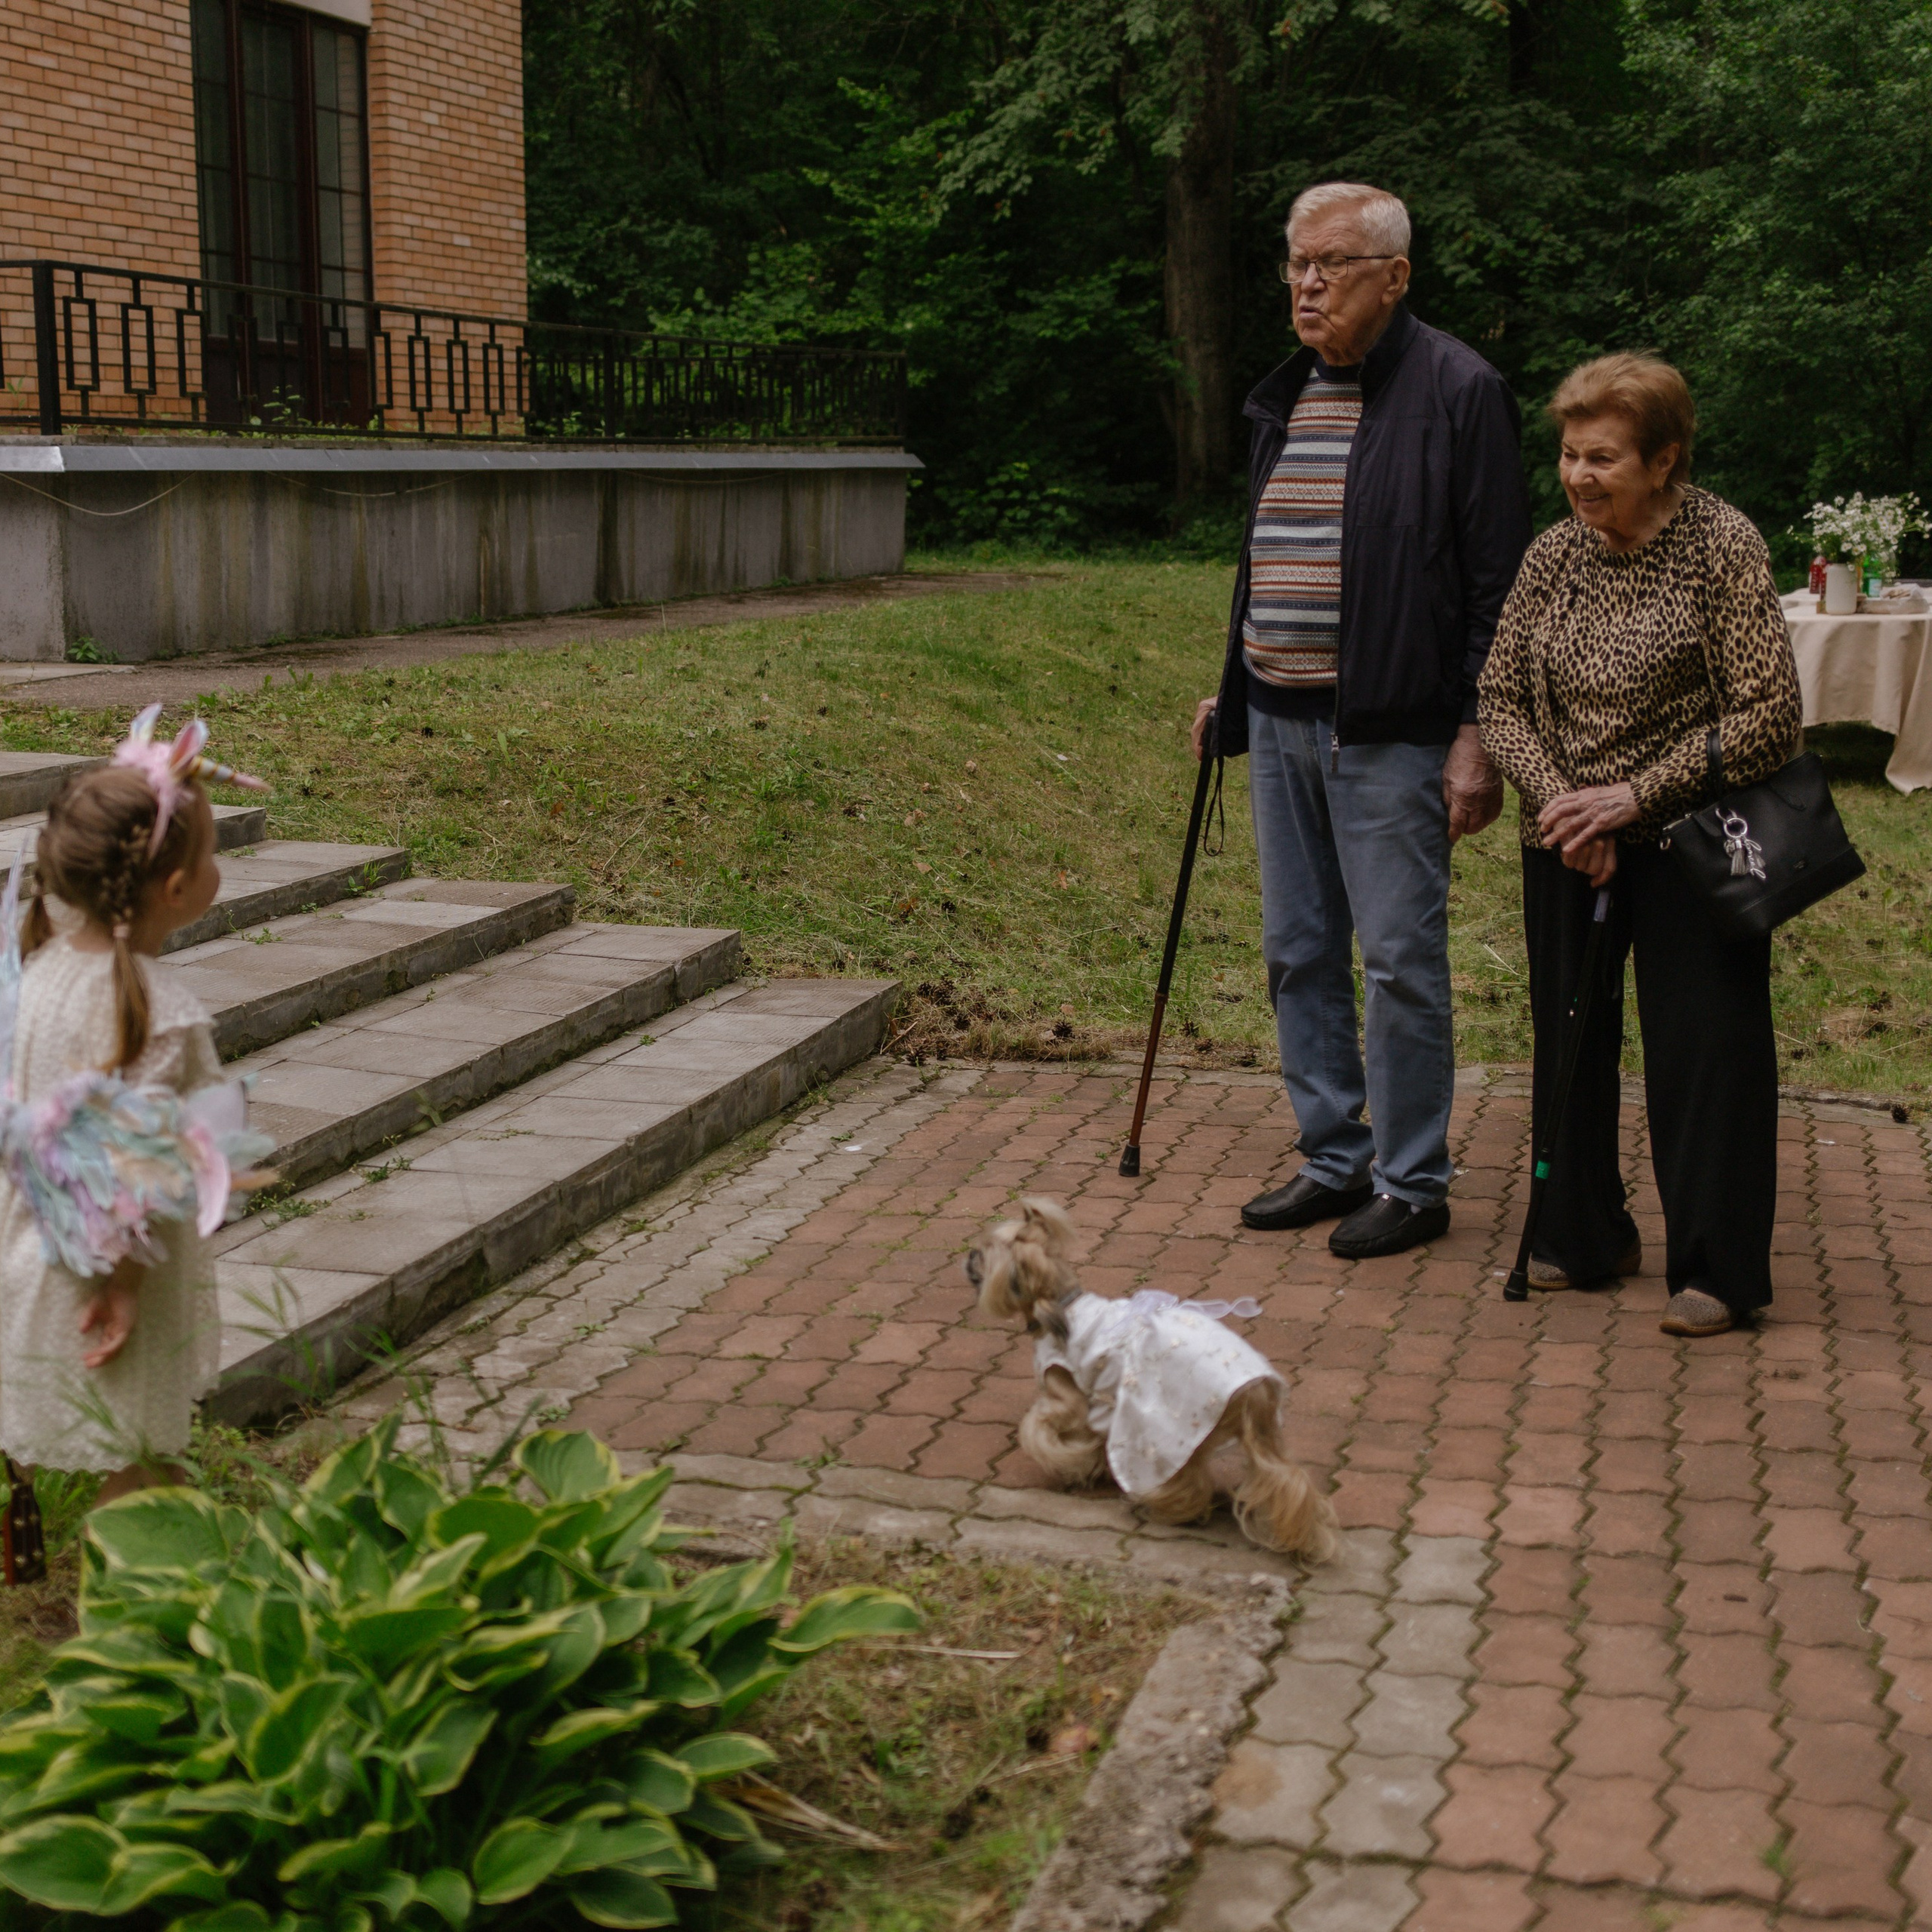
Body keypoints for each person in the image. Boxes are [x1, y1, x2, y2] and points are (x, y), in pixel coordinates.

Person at [1195, 181, 1531, 1258]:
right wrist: (1237, 685)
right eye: (1296, 263)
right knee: (1298, 951)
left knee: (1397, 962)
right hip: (1277, 718)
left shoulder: (1460, 390)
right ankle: (1334, 1155)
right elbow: (1269, 558)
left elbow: (1498, 584)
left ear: (1394, 277)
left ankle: (1414, 1181)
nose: (1306, 284)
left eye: (1330, 264)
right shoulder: (1285, 392)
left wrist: (1476, 733)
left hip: (1392, 729)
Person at [1478, 352, 1802, 1337]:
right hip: (1566, 837)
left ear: (1663, 460)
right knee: (1569, 1037)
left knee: (1707, 1051)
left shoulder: (1722, 547)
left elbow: (1770, 716)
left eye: (1602, 458)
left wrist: (1632, 799)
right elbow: (1498, 698)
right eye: (1570, 455)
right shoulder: (1553, 555)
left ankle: (1716, 1268)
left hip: (1689, 839)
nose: (1578, 476)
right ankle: (1583, 1233)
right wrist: (1565, 806)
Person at [0, 737, 233, 1509]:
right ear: (177, 887)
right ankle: (133, 1580)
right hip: (113, 1270)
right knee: (140, 1462)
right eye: (210, 853)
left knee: (97, 1443)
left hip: (31, 1242)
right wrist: (123, 1286)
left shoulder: (40, 971)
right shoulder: (164, 1015)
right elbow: (144, 1172)